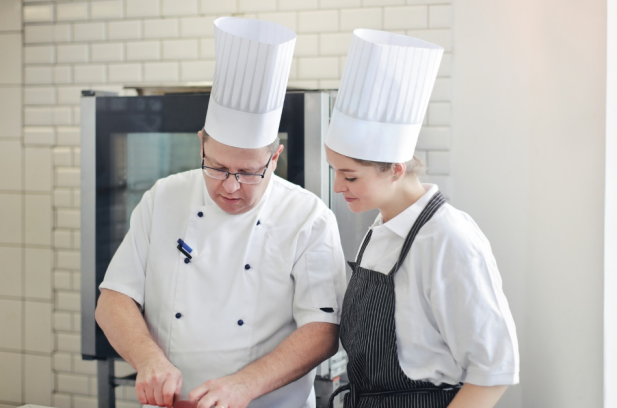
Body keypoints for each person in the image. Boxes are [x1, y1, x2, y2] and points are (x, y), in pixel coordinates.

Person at [94, 17, 347, 408]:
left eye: (248, 173)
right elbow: (114, 300)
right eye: (215, 168)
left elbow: (323, 328)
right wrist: (147, 360)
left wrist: (244, 385)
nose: (229, 186)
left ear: (275, 158)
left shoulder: (308, 216)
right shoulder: (164, 197)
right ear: (201, 145)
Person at [324, 29, 519, 408]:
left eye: (349, 176)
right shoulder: (381, 230)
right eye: (333, 171)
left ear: (395, 169)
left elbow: (493, 371)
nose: (336, 186)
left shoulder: (448, 238)